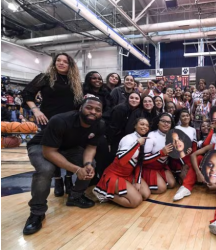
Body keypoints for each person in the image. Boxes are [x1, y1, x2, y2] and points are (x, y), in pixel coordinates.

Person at [23, 96, 105, 235]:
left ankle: (75, 196)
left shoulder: (99, 124)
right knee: (45, 170)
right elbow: (49, 152)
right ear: (80, 108)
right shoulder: (60, 120)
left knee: (91, 165)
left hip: (69, 147)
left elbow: (91, 148)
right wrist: (76, 169)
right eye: (89, 107)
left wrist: (87, 164)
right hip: (42, 146)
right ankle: (37, 212)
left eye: (98, 110)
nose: (93, 112)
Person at [21, 52, 83, 197]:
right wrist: (36, 111)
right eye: (58, 60)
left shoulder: (75, 82)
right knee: (52, 150)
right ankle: (58, 180)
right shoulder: (45, 77)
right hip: (49, 120)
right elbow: (27, 94)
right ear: (54, 63)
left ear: (70, 65)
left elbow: (79, 103)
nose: (61, 63)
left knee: (68, 148)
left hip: (70, 122)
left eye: (65, 61)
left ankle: (68, 179)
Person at [174, 125, 216, 239]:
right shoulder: (212, 146)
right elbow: (194, 155)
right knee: (199, 159)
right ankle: (186, 187)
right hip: (211, 176)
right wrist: (199, 173)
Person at [94, 118, 151, 207]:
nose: (145, 127)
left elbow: (139, 164)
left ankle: (122, 190)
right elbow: (122, 160)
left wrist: (138, 181)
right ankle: (104, 193)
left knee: (145, 194)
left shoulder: (143, 140)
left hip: (127, 175)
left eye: (147, 125)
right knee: (136, 201)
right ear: (135, 126)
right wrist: (137, 144)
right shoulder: (128, 138)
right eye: (142, 124)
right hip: (115, 175)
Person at [140, 113, 175, 193]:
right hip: (150, 167)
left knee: (172, 184)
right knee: (161, 189)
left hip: (162, 166)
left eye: (168, 122)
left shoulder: (171, 136)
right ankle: (141, 184)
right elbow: (144, 159)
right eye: (163, 121)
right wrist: (161, 152)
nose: (166, 124)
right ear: (158, 122)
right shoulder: (151, 135)